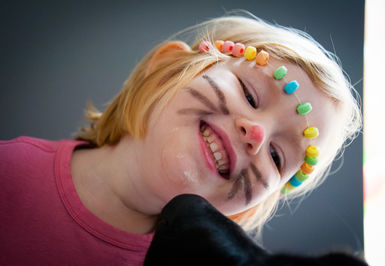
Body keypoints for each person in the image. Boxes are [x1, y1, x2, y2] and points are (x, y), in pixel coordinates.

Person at [0, 13, 362, 265]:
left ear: (252, 208)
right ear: (164, 71)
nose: (256, 134)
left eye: (278, 156)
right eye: (250, 95)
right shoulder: (9, 173)